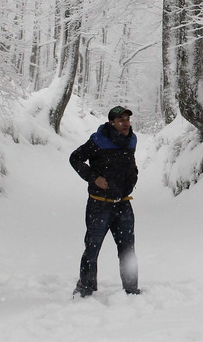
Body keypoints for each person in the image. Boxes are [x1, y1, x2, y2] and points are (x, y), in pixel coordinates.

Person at [70, 105, 140, 297]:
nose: (126, 124)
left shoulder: (132, 140)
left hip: (124, 204)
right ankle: (85, 288)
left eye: (127, 119)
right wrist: (93, 178)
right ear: (112, 123)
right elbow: (75, 158)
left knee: (128, 250)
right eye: (121, 120)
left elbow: (131, 163)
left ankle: (131, 289)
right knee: (92, 249)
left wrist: (134, 175)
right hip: (99, 204)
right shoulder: (98, 140)